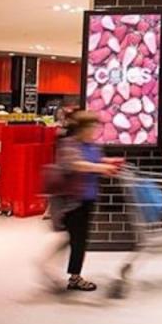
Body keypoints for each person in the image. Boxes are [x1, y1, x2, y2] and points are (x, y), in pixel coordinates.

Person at [40, 110, 121, 292]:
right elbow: (75, 164)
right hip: (72, 201)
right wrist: (101, 167)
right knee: (78, 239)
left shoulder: (92, 145)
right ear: (82, 128)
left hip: (88, 198)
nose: (95, 130)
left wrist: (110, 161)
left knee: (75, 238)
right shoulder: (68, 145)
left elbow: (95, 160)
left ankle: (50, 265)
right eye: (92, 127)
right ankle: (74, 277)